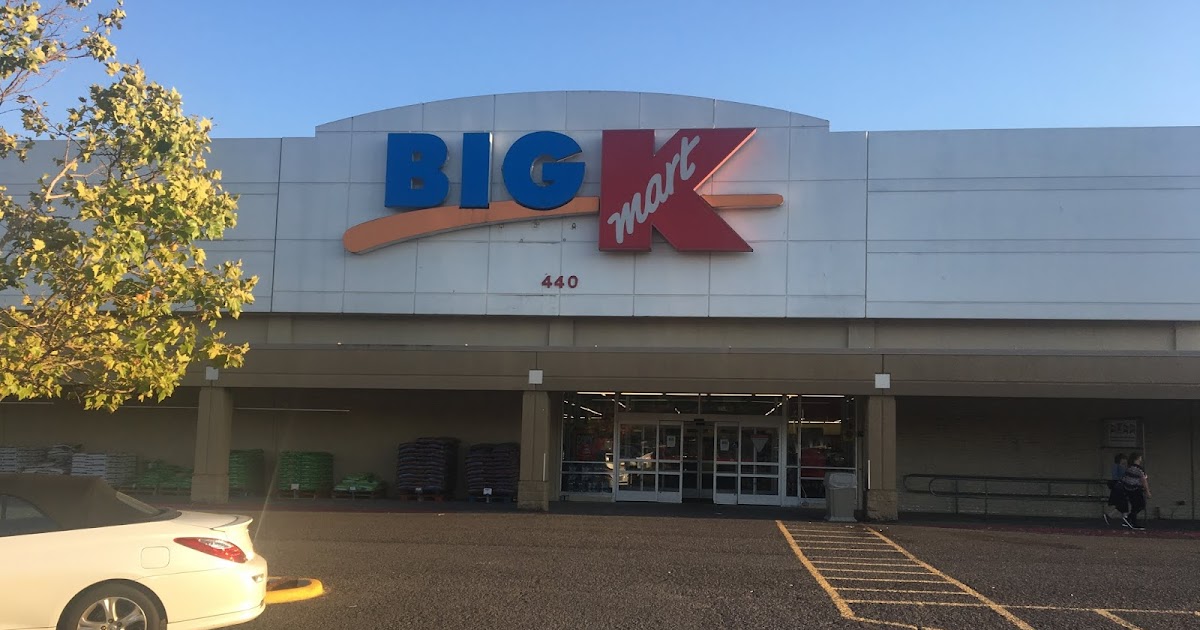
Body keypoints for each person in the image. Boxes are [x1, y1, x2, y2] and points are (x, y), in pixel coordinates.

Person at [1120, 452, 1151, 530]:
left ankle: (1130, 521)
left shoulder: (1129, 467)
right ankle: (1131, 520)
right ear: (1137, 458)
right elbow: (1144, 480)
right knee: (1140, 505)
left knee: (1135, 505)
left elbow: (1125, 479)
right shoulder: (1139, 469)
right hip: (1136, 489)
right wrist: (1147, 491)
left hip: (1128, 489)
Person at [1103, 453, 1128, 525]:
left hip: (1120, 487)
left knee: (1123, 503)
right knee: (1123, 502)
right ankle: (1124, 518)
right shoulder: (1117, 467)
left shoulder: (1122, 467)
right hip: (1119, 487)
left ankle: (1124, 518)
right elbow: (1116, 477)